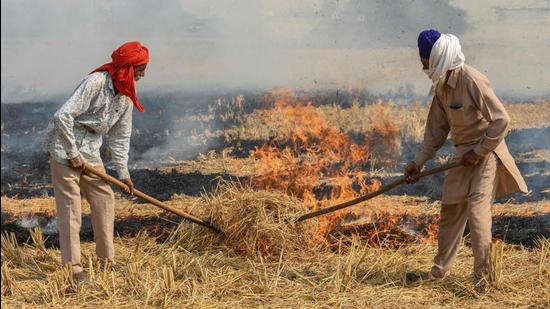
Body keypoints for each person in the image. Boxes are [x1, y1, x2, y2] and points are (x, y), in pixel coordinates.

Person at [404, 30, 527, 284]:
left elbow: (502, 120)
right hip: (463, 156)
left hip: (487, 153)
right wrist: (418, 162)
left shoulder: (472, 80)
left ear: (438, 57)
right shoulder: (441, 87)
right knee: (451, 210)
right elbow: (435, 133)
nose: (422, 65)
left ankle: (484, 279)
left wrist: (479, 151)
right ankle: (438, 274)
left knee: (477, 212)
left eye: (425, 60)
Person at [43, 41, 149, 282]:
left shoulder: (126, 96)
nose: (143, 74)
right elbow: (62, 116)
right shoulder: (95, 82)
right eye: (140, 69)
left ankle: (106, 261)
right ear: (127, 68)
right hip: (63, 146)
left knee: (104, 199)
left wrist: (122, 173)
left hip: (90, 151)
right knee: (72, 207)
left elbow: (121, 137)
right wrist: (71, 153)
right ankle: (73, 268)